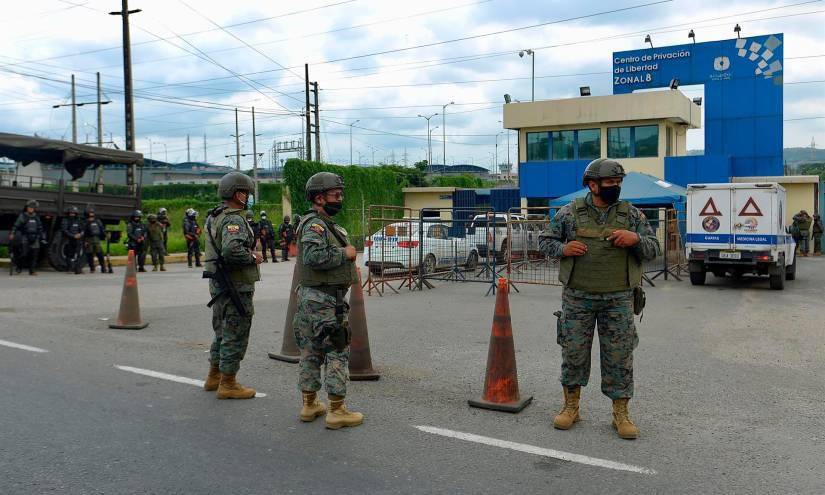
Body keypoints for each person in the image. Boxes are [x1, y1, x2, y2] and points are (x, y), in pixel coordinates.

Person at [538, 158, 660, 440]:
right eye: (610, 183)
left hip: (618, 298)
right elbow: (545, 240)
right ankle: (571, 406)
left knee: (619, 357)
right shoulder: (569, 213)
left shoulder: (631, 216)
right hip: (578, 297)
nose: (615, 188)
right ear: (592, 185)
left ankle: (621, 413)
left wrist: (636, 240)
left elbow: (654, 248)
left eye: (618, 183)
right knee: (573, 353)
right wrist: (564, 248)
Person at [294, 172, 363, 430]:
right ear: (319, 198)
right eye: (336, 194)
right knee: (336, 349)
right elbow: (313, 256)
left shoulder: (320, 223)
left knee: (311, 350)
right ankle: (337, 410)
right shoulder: (316, 225)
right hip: (324, 300)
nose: (340, 198)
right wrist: (344, 253)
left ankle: (309, 404)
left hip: (312, 299)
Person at [202, 171, 262, 400]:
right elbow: (232, 250)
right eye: (247, 193)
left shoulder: (214, 216)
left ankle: (214, 376)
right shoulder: (234, 218)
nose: (249, 197)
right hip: (235, 285)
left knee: (221, 331)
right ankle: (228, 383)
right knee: (236, 332)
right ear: (238, 194)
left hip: (219, 284)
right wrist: (253, 257)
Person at [10, 199, 45, 275]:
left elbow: (40, 227)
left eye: (32, 208)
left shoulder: (36, 216)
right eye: (29, 207)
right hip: (25, 237)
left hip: (35, 237)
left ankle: (32, 271)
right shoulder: (23, 216)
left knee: (34, 255)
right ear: (27, 207)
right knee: (24, 254)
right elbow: (16, 225)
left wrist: (42, 237)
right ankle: (19, 267)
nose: (31, 209)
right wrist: (12, 233)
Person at [60, 205, 84, 274]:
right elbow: (64, 230)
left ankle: (78, 269)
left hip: (78, 240)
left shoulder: (78, 220)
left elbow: (82, 229)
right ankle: (69, 268)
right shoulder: (65, 220)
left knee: (78, 255)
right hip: (69, 240)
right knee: (69, 255)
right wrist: (73, 236)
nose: (72, 214)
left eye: (74, 213)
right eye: (71, 213)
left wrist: (80, 234)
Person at [83, 207, 107, 273]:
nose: (91, 214)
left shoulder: (97, 221)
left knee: (100, 254)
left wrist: (106, 235)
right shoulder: (85, 222)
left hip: (96, 239)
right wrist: (85, 241)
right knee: (89, 254)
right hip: (89, 239)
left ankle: (103, 267)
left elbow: (101, 229)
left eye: (92, 213)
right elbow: (83, 232)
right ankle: (92, 268)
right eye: (90, 213)